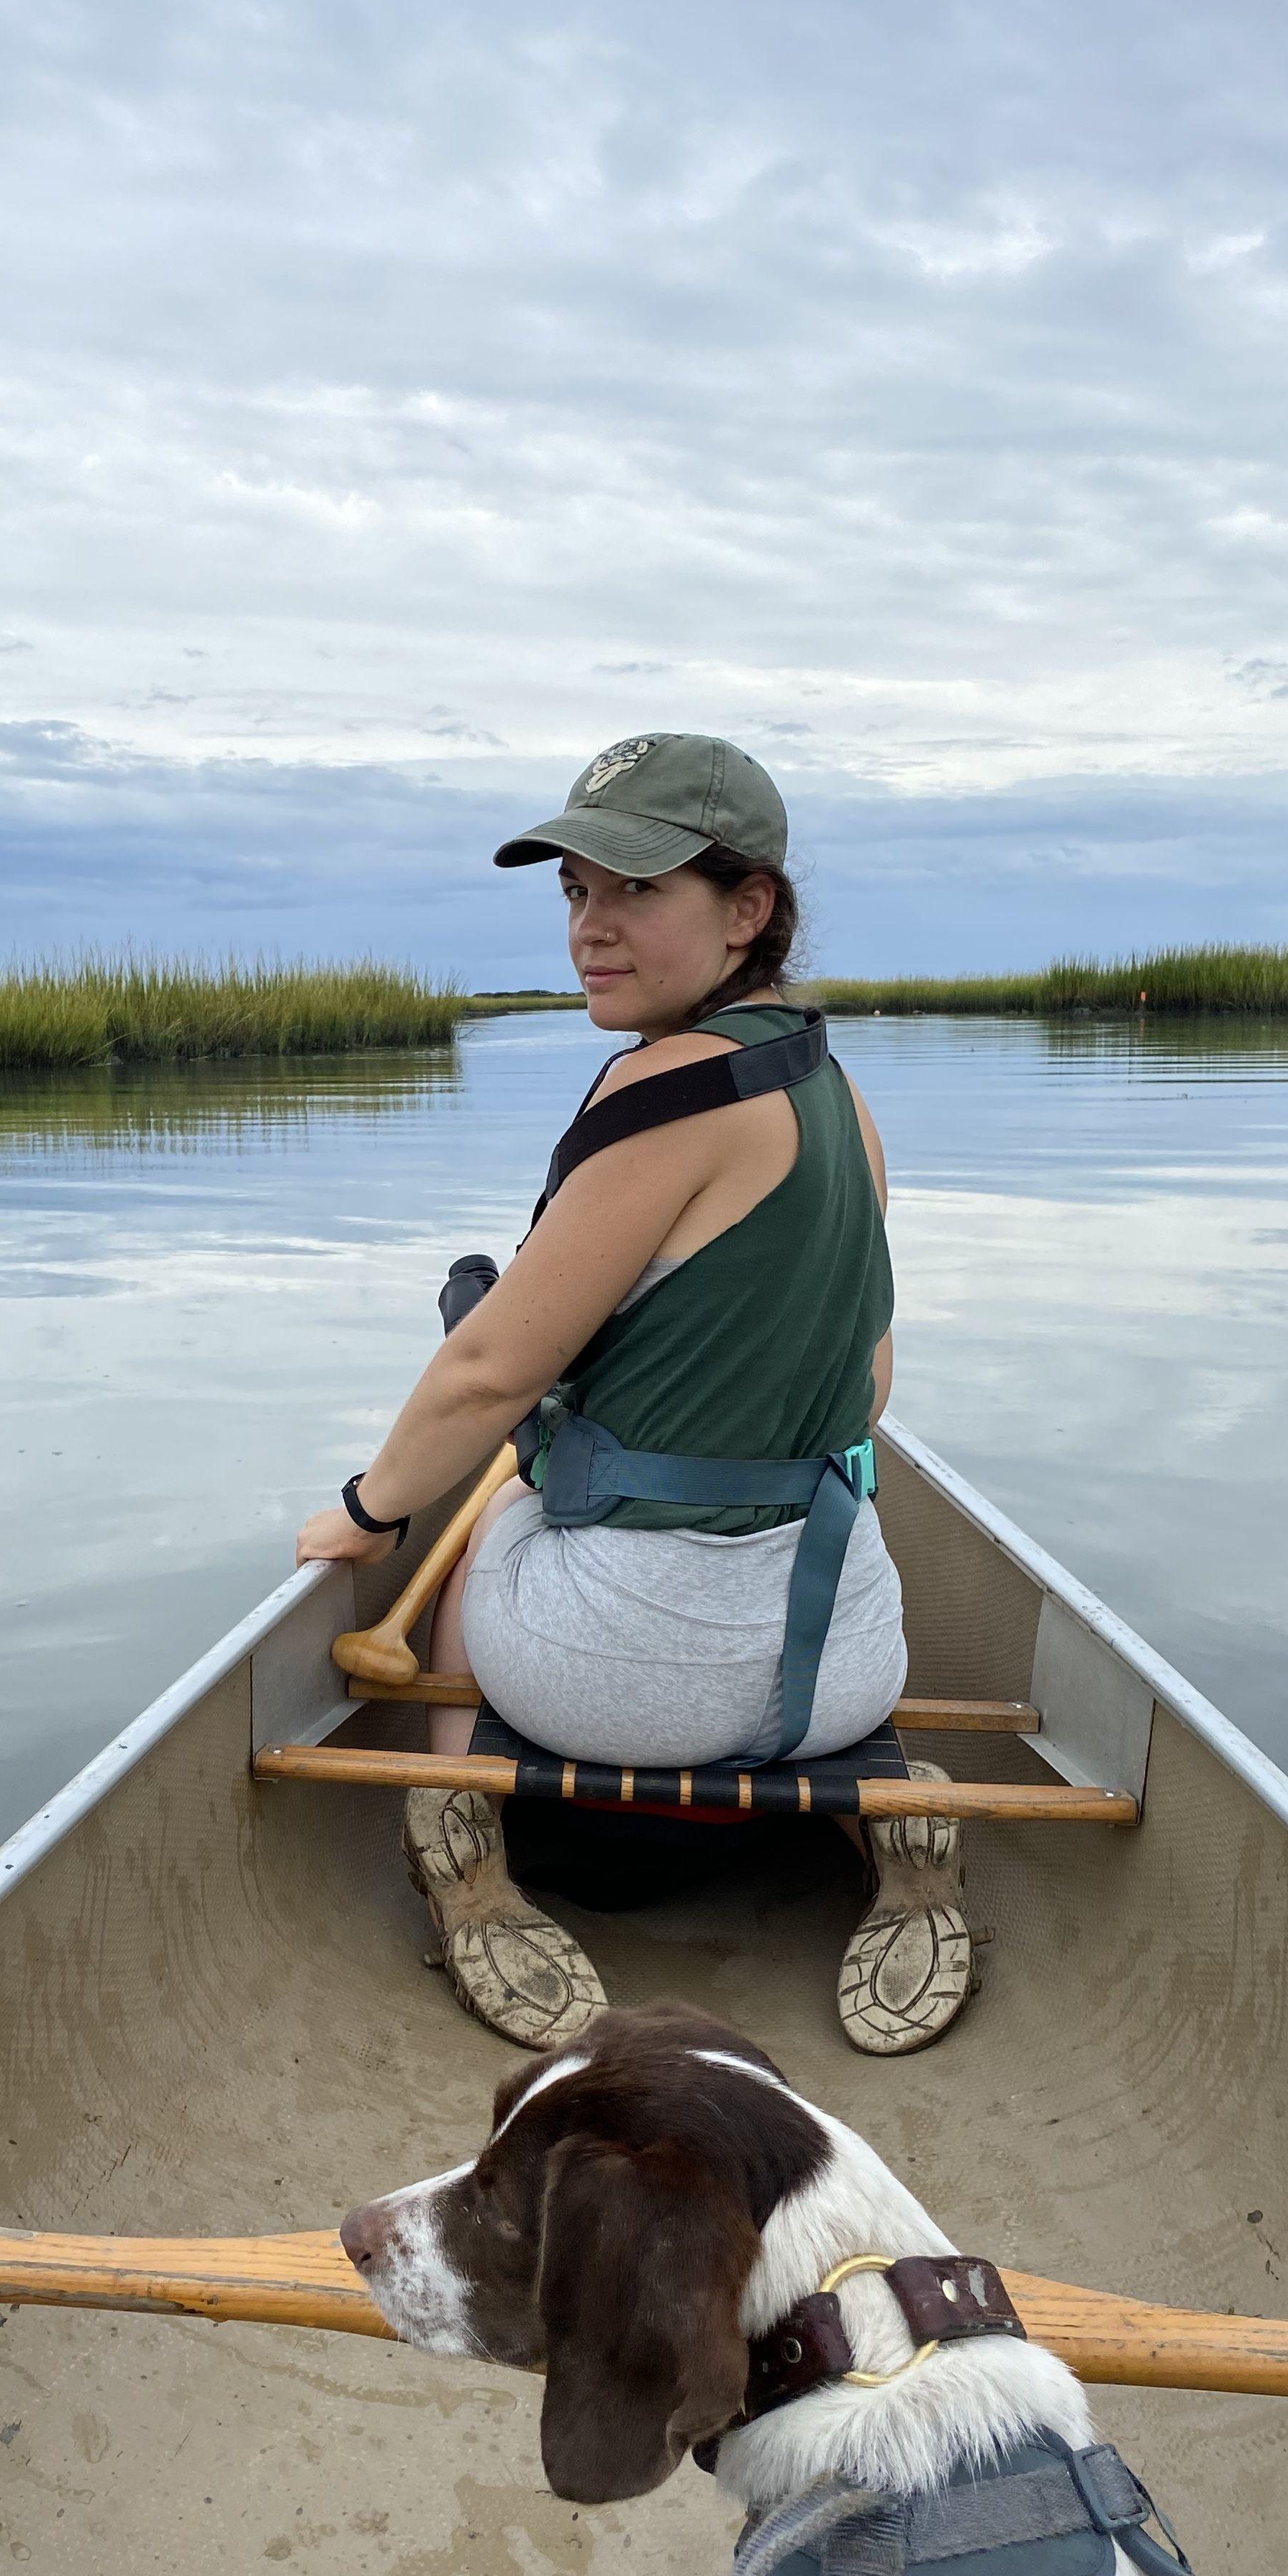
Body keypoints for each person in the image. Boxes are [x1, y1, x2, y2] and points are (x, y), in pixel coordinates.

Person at [294, 733, 971, 2059]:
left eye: (637, 893)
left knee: (485, 1526)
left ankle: (462, 1854)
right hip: (845, 1665)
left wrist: (370, 1514)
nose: (591, 932)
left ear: (748, 910)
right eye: (573, 894)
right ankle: (883, 1808)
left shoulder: (664, 1091)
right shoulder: (838, 1091)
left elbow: (492, 1367)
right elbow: (872, 1382)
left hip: (619, 1684)